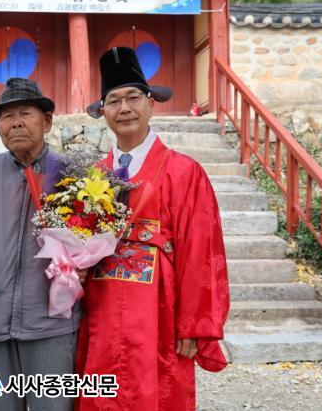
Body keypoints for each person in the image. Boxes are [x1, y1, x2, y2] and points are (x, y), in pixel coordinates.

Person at [75, 47, 230, 410]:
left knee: (159, 390)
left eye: (133, 98)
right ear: (103, 111)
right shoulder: (92, 175)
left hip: (161, 306)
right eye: (114, 101)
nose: (124, 108)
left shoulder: (184, 172)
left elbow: (202, 251)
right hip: (102, 308)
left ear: (150, 103)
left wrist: (194, 324)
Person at [0, 77, 80, 411]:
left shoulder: (71, 174)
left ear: (47, 122)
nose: (16, 123)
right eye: (7, 116)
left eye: (26, 113)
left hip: (51, 326)